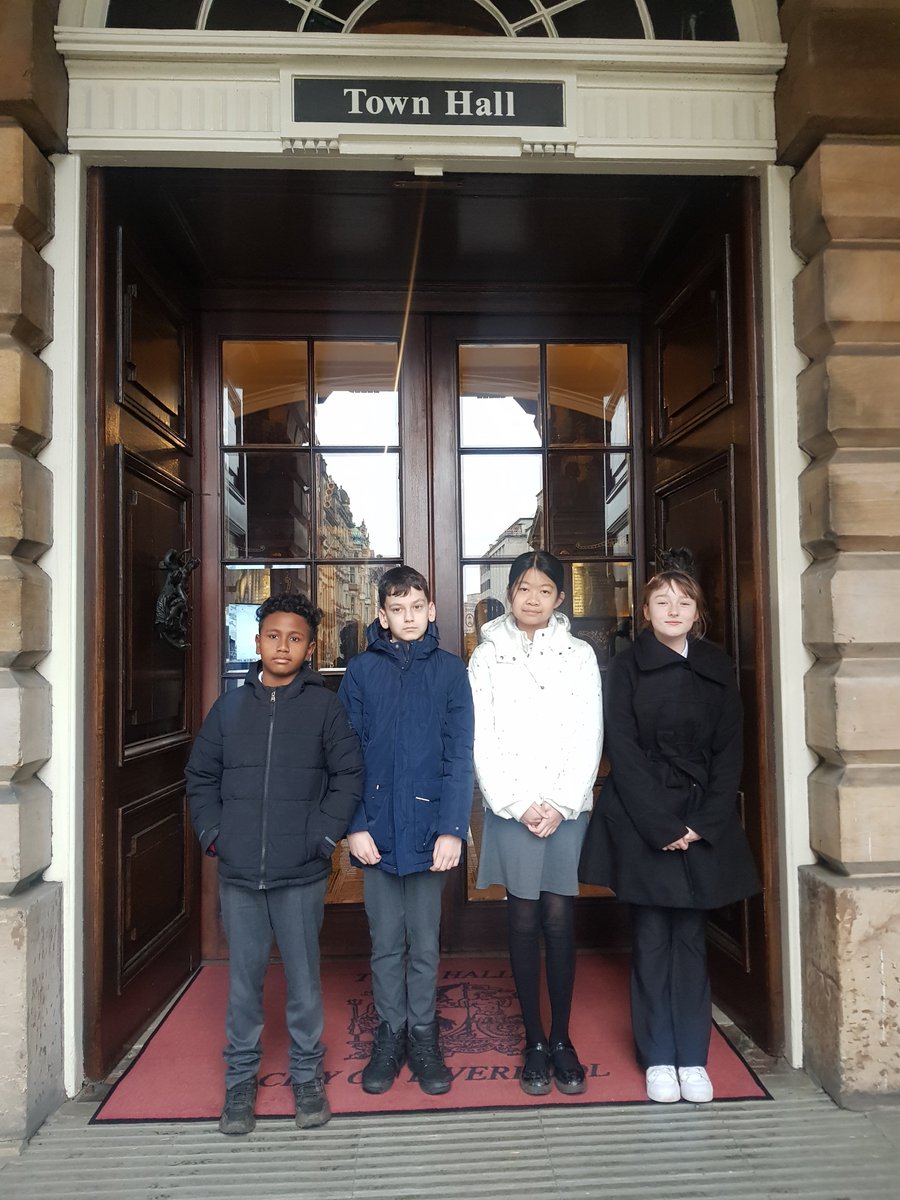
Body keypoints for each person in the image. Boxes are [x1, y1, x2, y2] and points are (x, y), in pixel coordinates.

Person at [580, 568, 760, 1104]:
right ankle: (659, 1055)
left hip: (702, 815)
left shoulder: (715, 665)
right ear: (646, 611)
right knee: (653, 939)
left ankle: (693, 1057)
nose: (674, 609)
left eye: (684, 601)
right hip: (644, 818)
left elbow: (731, 750)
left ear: (697, 612)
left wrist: (702, 822)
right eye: (662, 601)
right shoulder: (627, 667)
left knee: (691, 940)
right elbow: (624, 750)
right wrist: (662, 825)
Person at [186, 593, 363, 1135]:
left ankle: (306, 1075)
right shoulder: (230, 708)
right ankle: (240, 1081)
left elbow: (348, 775)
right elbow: (201, 777)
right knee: (244, 980)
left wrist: (322, 835)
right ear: (257, 640)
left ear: (310, 648)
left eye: (295, 638)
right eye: (273, 635)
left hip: (301, 872)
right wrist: (215, 835)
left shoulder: (323, 707)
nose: (282, 646)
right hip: (239, 871)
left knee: (305, 979)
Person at [468, 550, 603, 1096]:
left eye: (544, 590)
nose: (531, 598)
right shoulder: (486, 654)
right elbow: (480, 737)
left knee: (559, 917)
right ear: (510, 592)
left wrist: (561, 800)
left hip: (564, 806)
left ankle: (564, 1038)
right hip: (512, 807)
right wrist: (519, 801)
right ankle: (533, 1040)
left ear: (560, 599)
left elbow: (589, 731)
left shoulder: (579, 656)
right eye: (523, 588)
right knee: (522, 918)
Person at [338, 566, 474, 1096]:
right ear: (382, 615)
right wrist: (354, 827)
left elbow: (459, 754)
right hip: (375, 831)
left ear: (432, 610)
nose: (409, 617)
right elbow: (345, 757)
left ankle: (422, 1033)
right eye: (398, 609)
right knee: (385, 940)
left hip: (428, 831)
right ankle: (390, 1032)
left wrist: (451, 829)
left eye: (417, 606)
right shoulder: (360, 673)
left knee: (424, 941)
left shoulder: (449, 672)